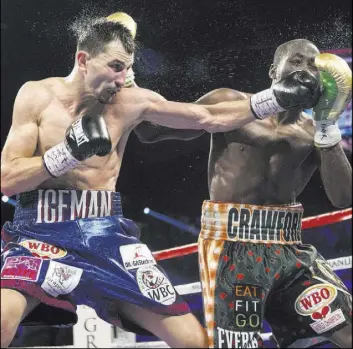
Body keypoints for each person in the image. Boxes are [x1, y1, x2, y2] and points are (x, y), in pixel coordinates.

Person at [0, 12, 317, 349]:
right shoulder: (36, 96)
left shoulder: (131, 102)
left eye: (127, 68)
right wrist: (66, 153)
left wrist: (274, 98)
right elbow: (7, 179)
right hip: (39, 233)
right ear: (83, 60)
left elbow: (207, 117)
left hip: (105, 234)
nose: (123, 79)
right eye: (115, 67)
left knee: (193, 341)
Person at [134, 39, 352, 348]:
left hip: (289, 248)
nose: (306, 70)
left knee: (347, 330)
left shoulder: (313, 131)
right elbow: (152, 131)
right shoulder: (230, 103)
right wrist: (128, 91)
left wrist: (327, 126)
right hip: (230, 248)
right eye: (297, 61)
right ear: (273, 70)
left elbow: (343, 198)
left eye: (313, 66)